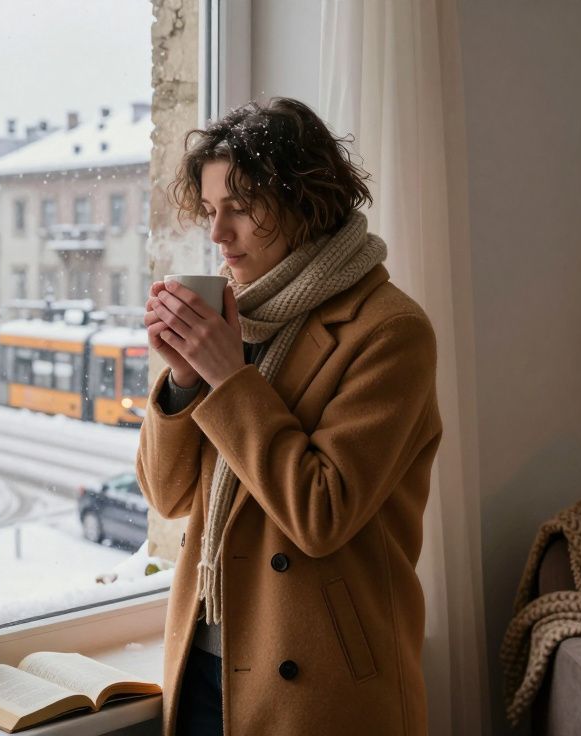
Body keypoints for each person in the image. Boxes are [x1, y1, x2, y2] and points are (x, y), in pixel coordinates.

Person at [137, 97, 442, 736]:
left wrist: (228, 379)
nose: (218, 234)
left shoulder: (390, 331)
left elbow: (321, 515)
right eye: (211, 211)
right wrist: (185, 380)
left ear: (305, 201)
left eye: (241, 208)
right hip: (201, 667)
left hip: (322, 687)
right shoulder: (238, 318)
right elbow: (168, 497)